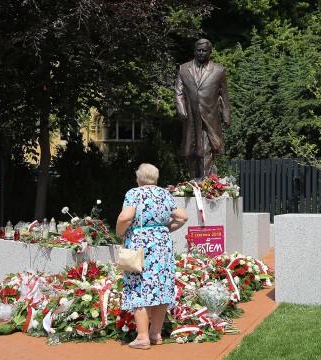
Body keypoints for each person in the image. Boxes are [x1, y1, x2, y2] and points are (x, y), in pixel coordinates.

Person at [116, 163, 188, 349]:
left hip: (141, 245)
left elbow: (125, 217)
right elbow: (182, 217)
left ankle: (142, 337)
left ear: (139, 178)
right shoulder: (165, 194)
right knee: (161, 285)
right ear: (156, 178)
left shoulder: (134, 193)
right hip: (162, 247)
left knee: (137, 286)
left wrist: (120, 232)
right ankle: (155, 333)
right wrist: (164, 229)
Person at [175, 38, 231, 179]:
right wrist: (181, 107)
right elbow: (178, 92)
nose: (201, 53)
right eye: (198, 50)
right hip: (191, 117)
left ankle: (205, 184)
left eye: (204, 50)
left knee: (205, 150)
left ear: (209, 52)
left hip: (209, 116)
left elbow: (224, 95)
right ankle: (194, 182)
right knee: (191, 152)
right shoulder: (183, 69)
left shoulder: (219, 70)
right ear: (194, 51)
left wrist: (226, 116)